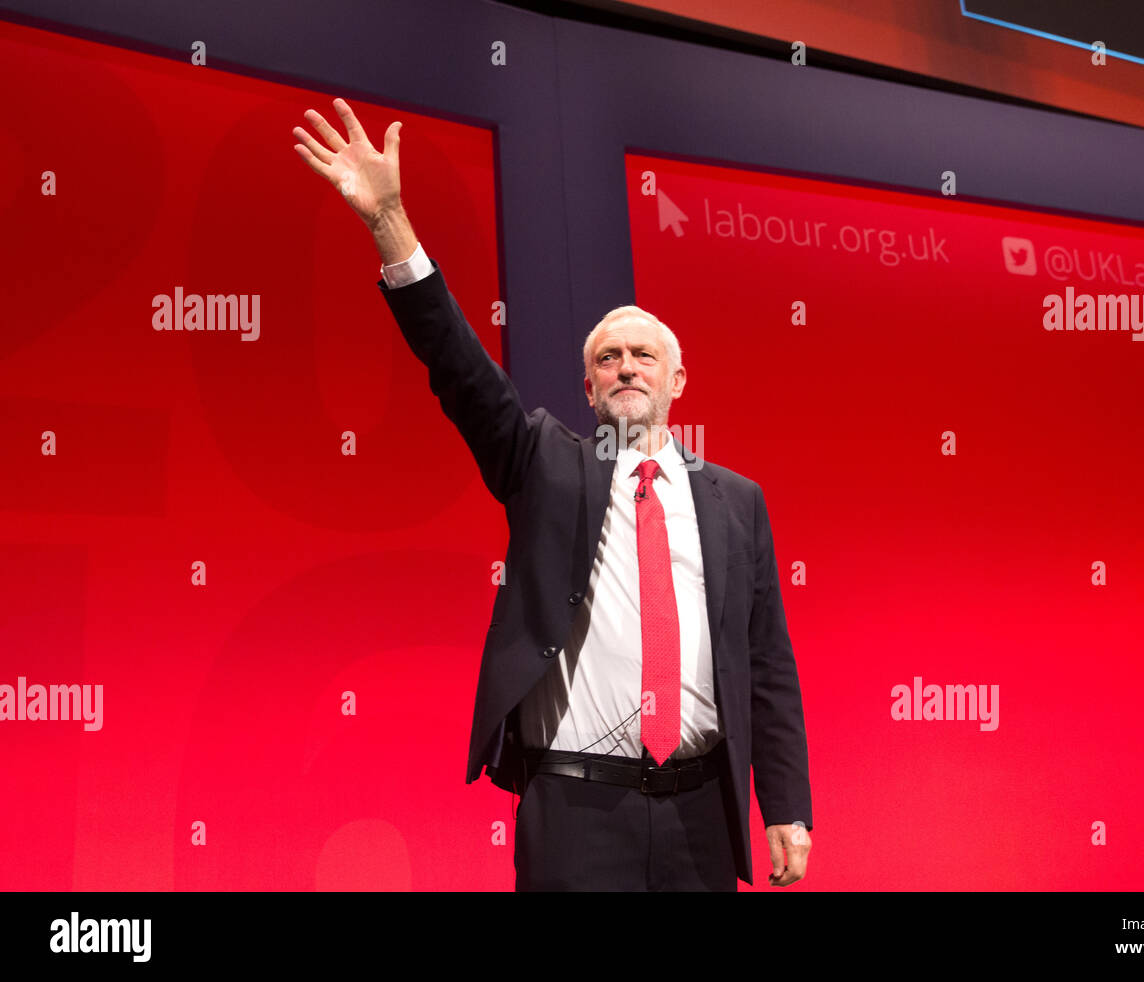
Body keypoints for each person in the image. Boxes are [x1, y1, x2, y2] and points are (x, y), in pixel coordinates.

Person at [292, 98, 813, 890]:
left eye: (644, 356)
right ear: (588, 383)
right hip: (574, 809)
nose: (627, 368)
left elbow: (768, 662)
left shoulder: (737, 502)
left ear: (677, 381)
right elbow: (460, 370)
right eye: (609, 358)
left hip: (702, 813)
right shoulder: (546, 461)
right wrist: (390, 222)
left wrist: (785, 803)